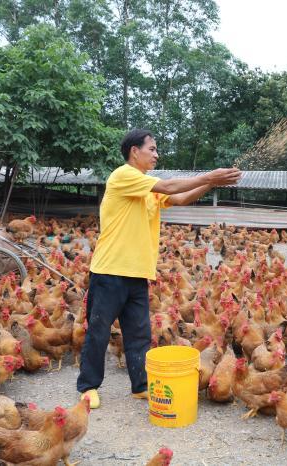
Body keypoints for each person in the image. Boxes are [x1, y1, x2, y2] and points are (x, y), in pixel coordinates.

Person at [77, 129, 241, 408]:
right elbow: (169, 187)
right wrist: (210, 176)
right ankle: (89, 386)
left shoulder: (146, 189)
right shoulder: (123, 175)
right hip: (110, 270)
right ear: (134, 152)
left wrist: (212, 185)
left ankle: (140, 385)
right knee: (99, 330)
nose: (157, 154)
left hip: (139, 272)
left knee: (139, 333)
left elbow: (179, 198)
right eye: (152, 149)